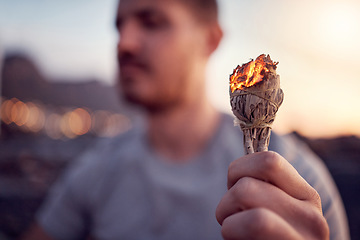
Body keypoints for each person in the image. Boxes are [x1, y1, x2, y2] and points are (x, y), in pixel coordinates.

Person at [21, 0, 349, 239]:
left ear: (210, 39)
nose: (124, 43)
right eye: (119, 27)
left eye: (151, 21)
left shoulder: (299, 184)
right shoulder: (94, 170)